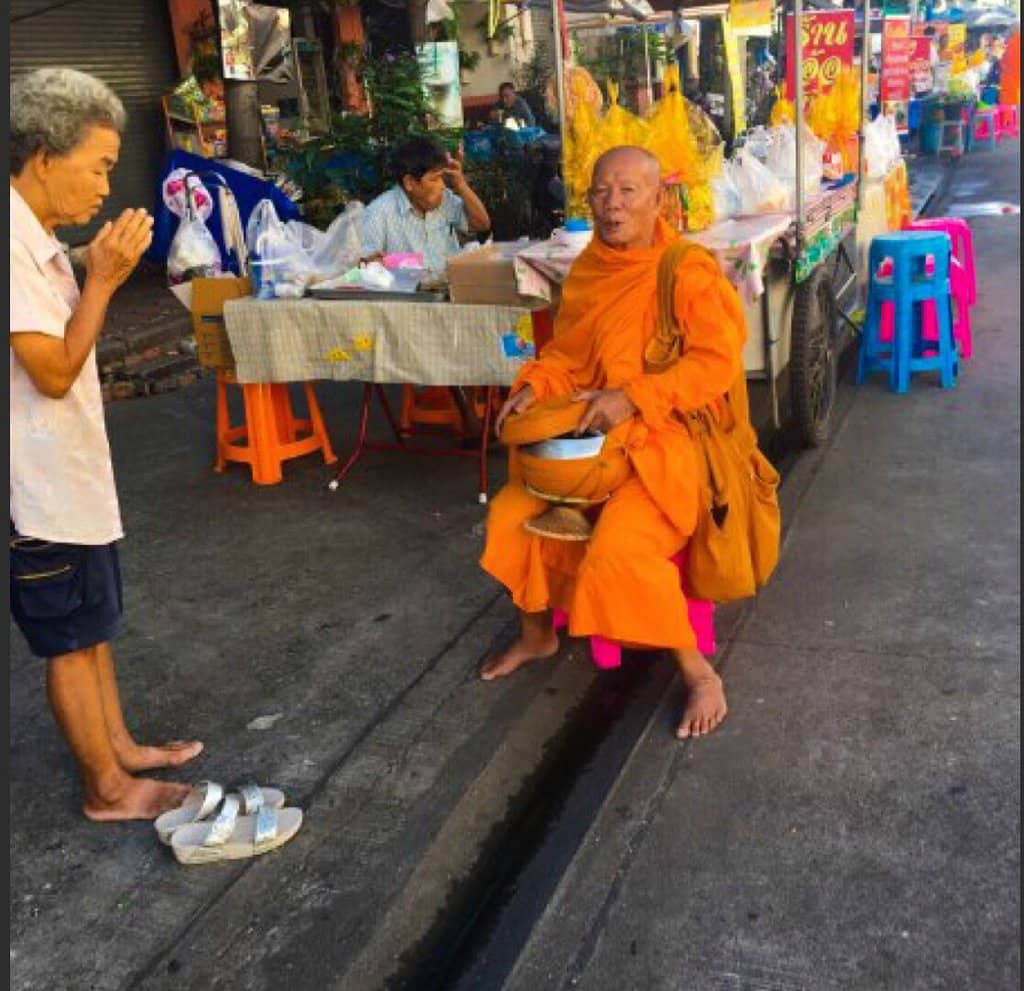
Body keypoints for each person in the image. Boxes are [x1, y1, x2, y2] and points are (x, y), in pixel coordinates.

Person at [479, 146, 747, 741]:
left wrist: (635, 397)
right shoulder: (592, 269)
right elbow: (567, 357)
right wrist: (534, 388)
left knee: (618, 553)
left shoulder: (686, 270)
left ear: (659, 199)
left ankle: (700, 673)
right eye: (601, 191)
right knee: (507, 516)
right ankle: (536, 634)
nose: (612, 204)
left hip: (663, 443)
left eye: (628, 191)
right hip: (588, 445)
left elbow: (716, 364)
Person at [10, 68, 202, 821]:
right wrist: (104, 282)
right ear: (44, 156)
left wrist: (93, 268)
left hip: (69, 474)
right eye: (97, 166)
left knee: (93, 628)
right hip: (37, 485)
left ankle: (117, 747)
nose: (104, 184)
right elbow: (54, 370)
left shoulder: (41, 240)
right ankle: (107, 789)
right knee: (68, 638)